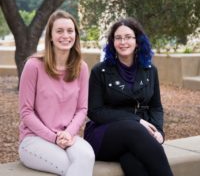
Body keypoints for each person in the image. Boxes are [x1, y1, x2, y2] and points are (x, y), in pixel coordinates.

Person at [84, 17, 174, 176]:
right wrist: (137, 121)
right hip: (104, 135)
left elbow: (156, 107)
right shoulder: (100, 71)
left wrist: (158, 131)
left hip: (137, 137)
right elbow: (95, 111)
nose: (123, 42)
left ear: (137, 41)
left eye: (128, 37)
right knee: (132, 128)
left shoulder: (150, 70)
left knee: (133, 163)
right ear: (112, 43)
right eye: (118, 38)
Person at [18, 10, 95, 176]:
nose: (65, 35)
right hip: (34, 139)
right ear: (50, 36)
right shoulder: (33, 66)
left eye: (70, 31)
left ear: (75, 35)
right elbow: (26, 112)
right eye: (59, 31)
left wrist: (68, 133)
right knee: (69, 164)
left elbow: (82, 109)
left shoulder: (81, 67)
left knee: (87, 156)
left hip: (68, 136)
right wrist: (53, 138)